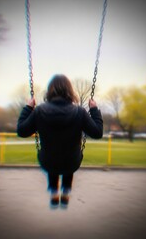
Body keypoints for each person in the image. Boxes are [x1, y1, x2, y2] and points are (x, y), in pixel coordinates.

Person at [17, 74, 103, 207]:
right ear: (70, 91)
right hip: (72, 162)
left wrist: (28, 108)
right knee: (69, 160)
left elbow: (22, 131)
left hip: (47, 161)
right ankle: (66, 191)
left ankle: (53, 192)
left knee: (53, 160)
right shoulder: (80, 112)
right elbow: (97, 133)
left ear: (49, 91)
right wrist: (94, 110)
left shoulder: (39, 111)